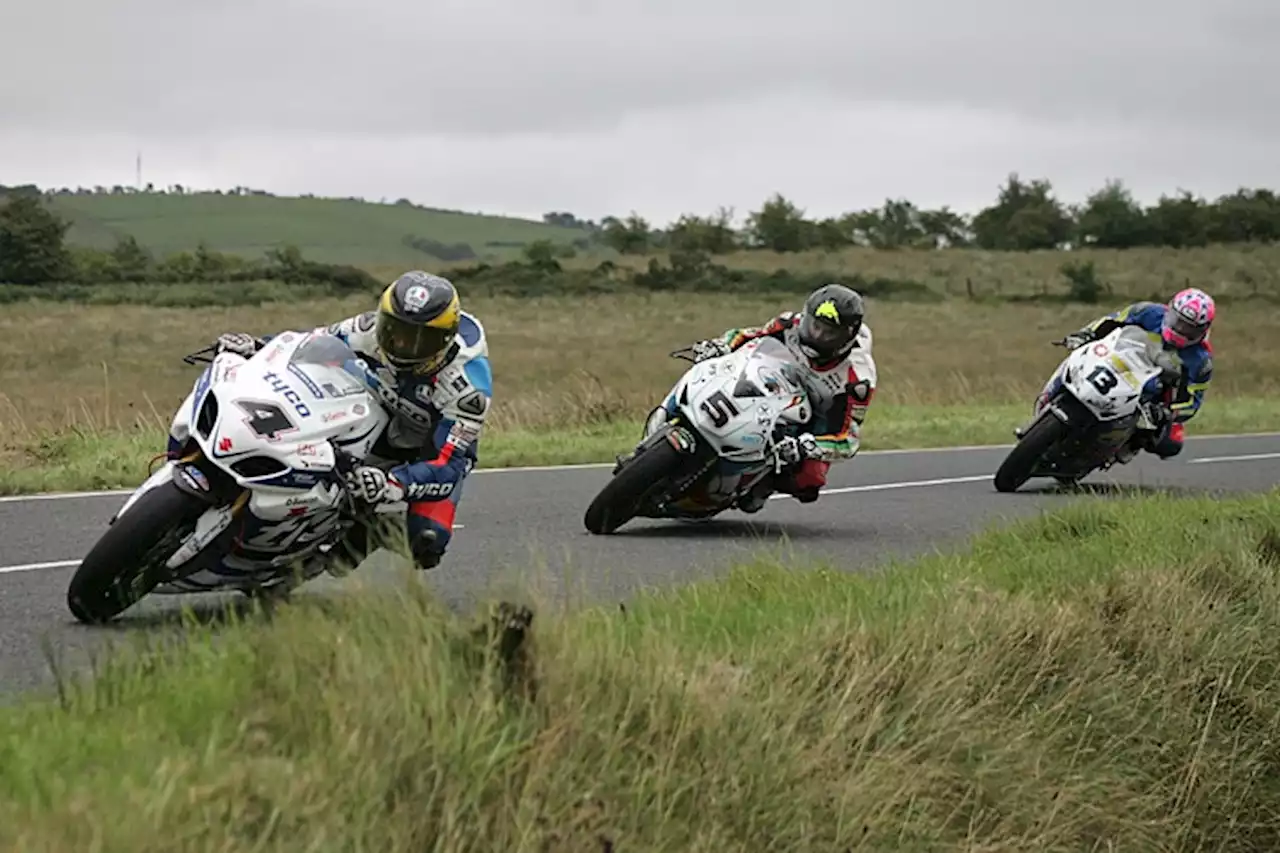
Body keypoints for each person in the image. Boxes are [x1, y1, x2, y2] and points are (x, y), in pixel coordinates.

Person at [205, 270, 491, 578]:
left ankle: (368, 533)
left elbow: (447, 466)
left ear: (445, 340)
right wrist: (257, 345)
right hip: (372, 407)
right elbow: (310, 342)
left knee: (427, 544)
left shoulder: (467, 390)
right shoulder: (368, 329)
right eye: (395, 330)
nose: (402, 345)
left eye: (421, 340)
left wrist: (393, 483)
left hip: (427, 444)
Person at [688, 283, 877, 513]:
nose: (817, 335)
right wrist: (720, 346)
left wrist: (809, 446)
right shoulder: (790, 323)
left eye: (829, 333)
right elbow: (746, 335)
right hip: (771, 383)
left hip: (813, 416)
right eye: (815, 326)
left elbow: (848, 440)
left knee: (810, 479)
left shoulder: (857, 379)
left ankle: (760, 487)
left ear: (848, 336)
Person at [1053, 286, 1214, 461]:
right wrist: (1085, 334)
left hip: (1149, 396)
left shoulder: (1201, 361)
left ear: (1203, 330)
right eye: (1178, 321)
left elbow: (1193, 402)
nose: (1181, 329)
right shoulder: (1148, 312)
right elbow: (1110, 320)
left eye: (1189, 328)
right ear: (1170, 310)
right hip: (1117, 362)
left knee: (1170, 443)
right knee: (1078, 357)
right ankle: (1051, 396)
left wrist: (1167, 413)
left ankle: (1123, 447)